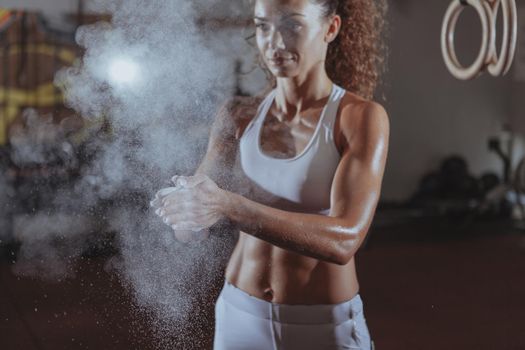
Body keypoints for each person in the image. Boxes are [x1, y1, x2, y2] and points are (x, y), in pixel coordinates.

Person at [151, 0, 389, 348]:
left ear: (331, 28)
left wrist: (230, 206)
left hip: (322, 324)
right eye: (263, 26)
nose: (274, 42)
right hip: (240, 316)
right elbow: (192, 230)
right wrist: (184, 206)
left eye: (292, 25)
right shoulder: (238, 115)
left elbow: (345, 240)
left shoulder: (358, 118)